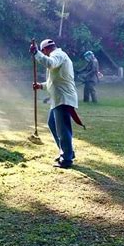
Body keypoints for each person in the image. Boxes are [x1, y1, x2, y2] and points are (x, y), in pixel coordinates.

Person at [30, 39, 78, 168]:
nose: (44, 54)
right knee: (52, 124)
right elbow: (54, 81)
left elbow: (50, 64)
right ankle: (67, 152)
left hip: (63, 98)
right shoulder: (58, 56)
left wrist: (36, 53)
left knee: (63, 129)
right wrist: (41, 86)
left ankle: (67, 158)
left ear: (45, 50)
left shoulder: (57, 55)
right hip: (59, 98)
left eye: (43, 52)